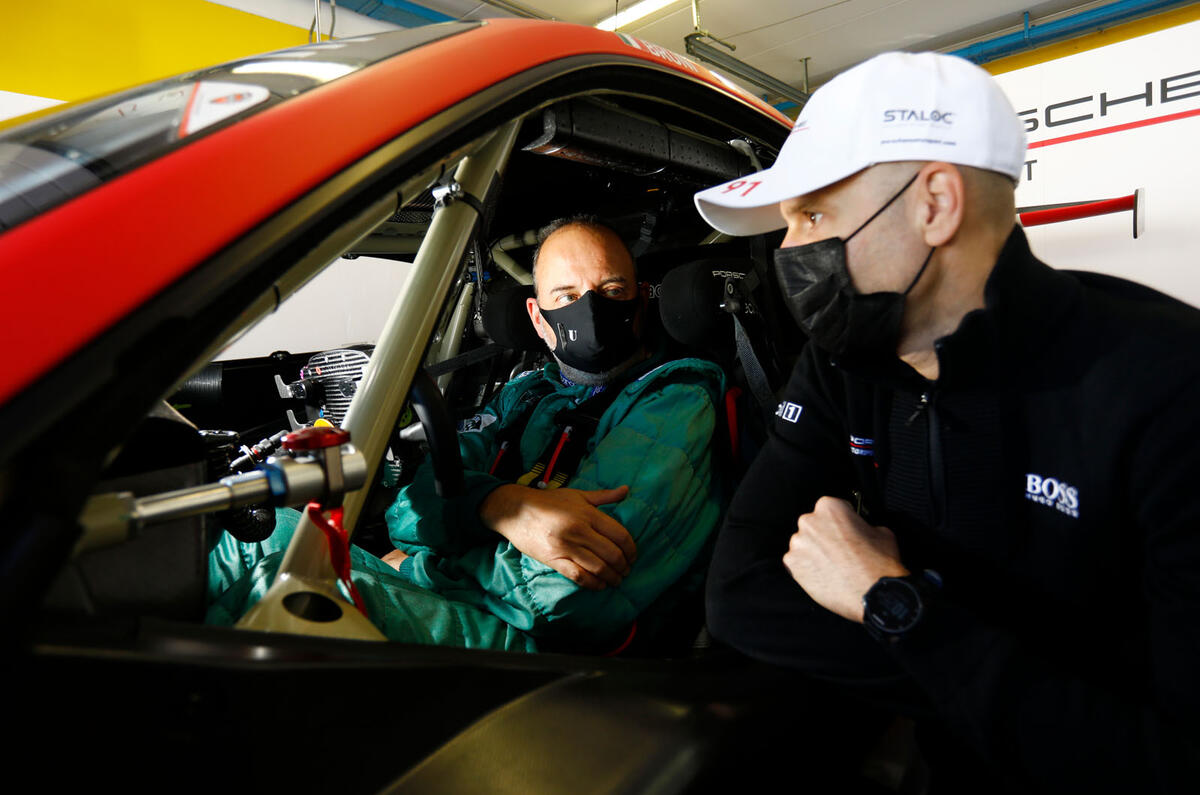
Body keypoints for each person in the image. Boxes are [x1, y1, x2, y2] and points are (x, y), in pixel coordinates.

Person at [692, 51, 1200, 792]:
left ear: (934, 204)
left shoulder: (1168, 386)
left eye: (813, 215)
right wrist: (1023, 688)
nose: (789, 249)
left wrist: (892, 603)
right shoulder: (842, 365)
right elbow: (738, 593)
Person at [208, 217, 725, 654]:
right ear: (538, 318)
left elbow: (557, 596)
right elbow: (409, 508)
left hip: (544, 650)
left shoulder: (675, 401)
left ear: (639, 302)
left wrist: (420, 565)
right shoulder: (526, 394)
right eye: (566, 296)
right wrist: (500, 505)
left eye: (610, 291)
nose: (588, 310)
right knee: (257, 534)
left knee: (281, 583)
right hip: (478, 600)